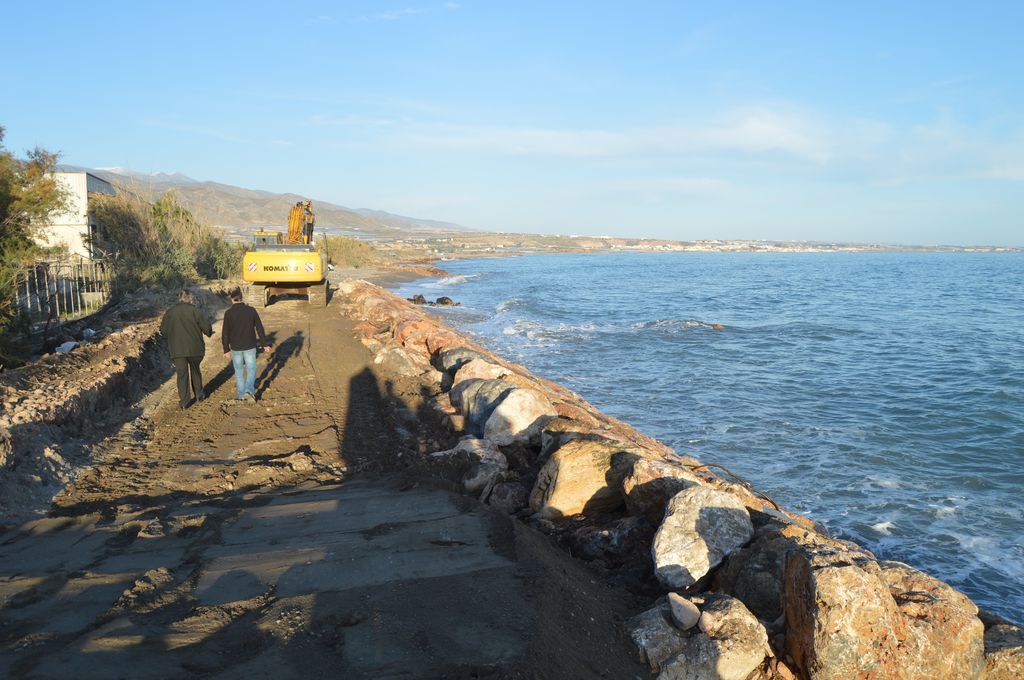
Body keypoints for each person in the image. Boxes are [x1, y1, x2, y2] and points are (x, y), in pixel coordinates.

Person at [160, 289, 213, 409]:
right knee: (195, 370)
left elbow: (163, 331)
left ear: (179, 298)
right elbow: (206, 328)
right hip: (195, 348)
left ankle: (184, 402)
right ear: (190, 298)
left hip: (177, 350)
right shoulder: (195, 311)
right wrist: (209, 332)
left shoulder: (170, 312)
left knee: (182, 374)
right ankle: (199, 395)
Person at [222, 288, 271, 401]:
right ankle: (249, 390)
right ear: (241, 298)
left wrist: (226, 349)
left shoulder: (228, 313)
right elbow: (259, 328)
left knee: (239, 372)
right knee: (251, 369)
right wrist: (264, 344)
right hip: (250, 346)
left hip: (235, 347)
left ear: (232, 300)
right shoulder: (251, 310)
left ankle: (241, 396)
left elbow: (225, 333)